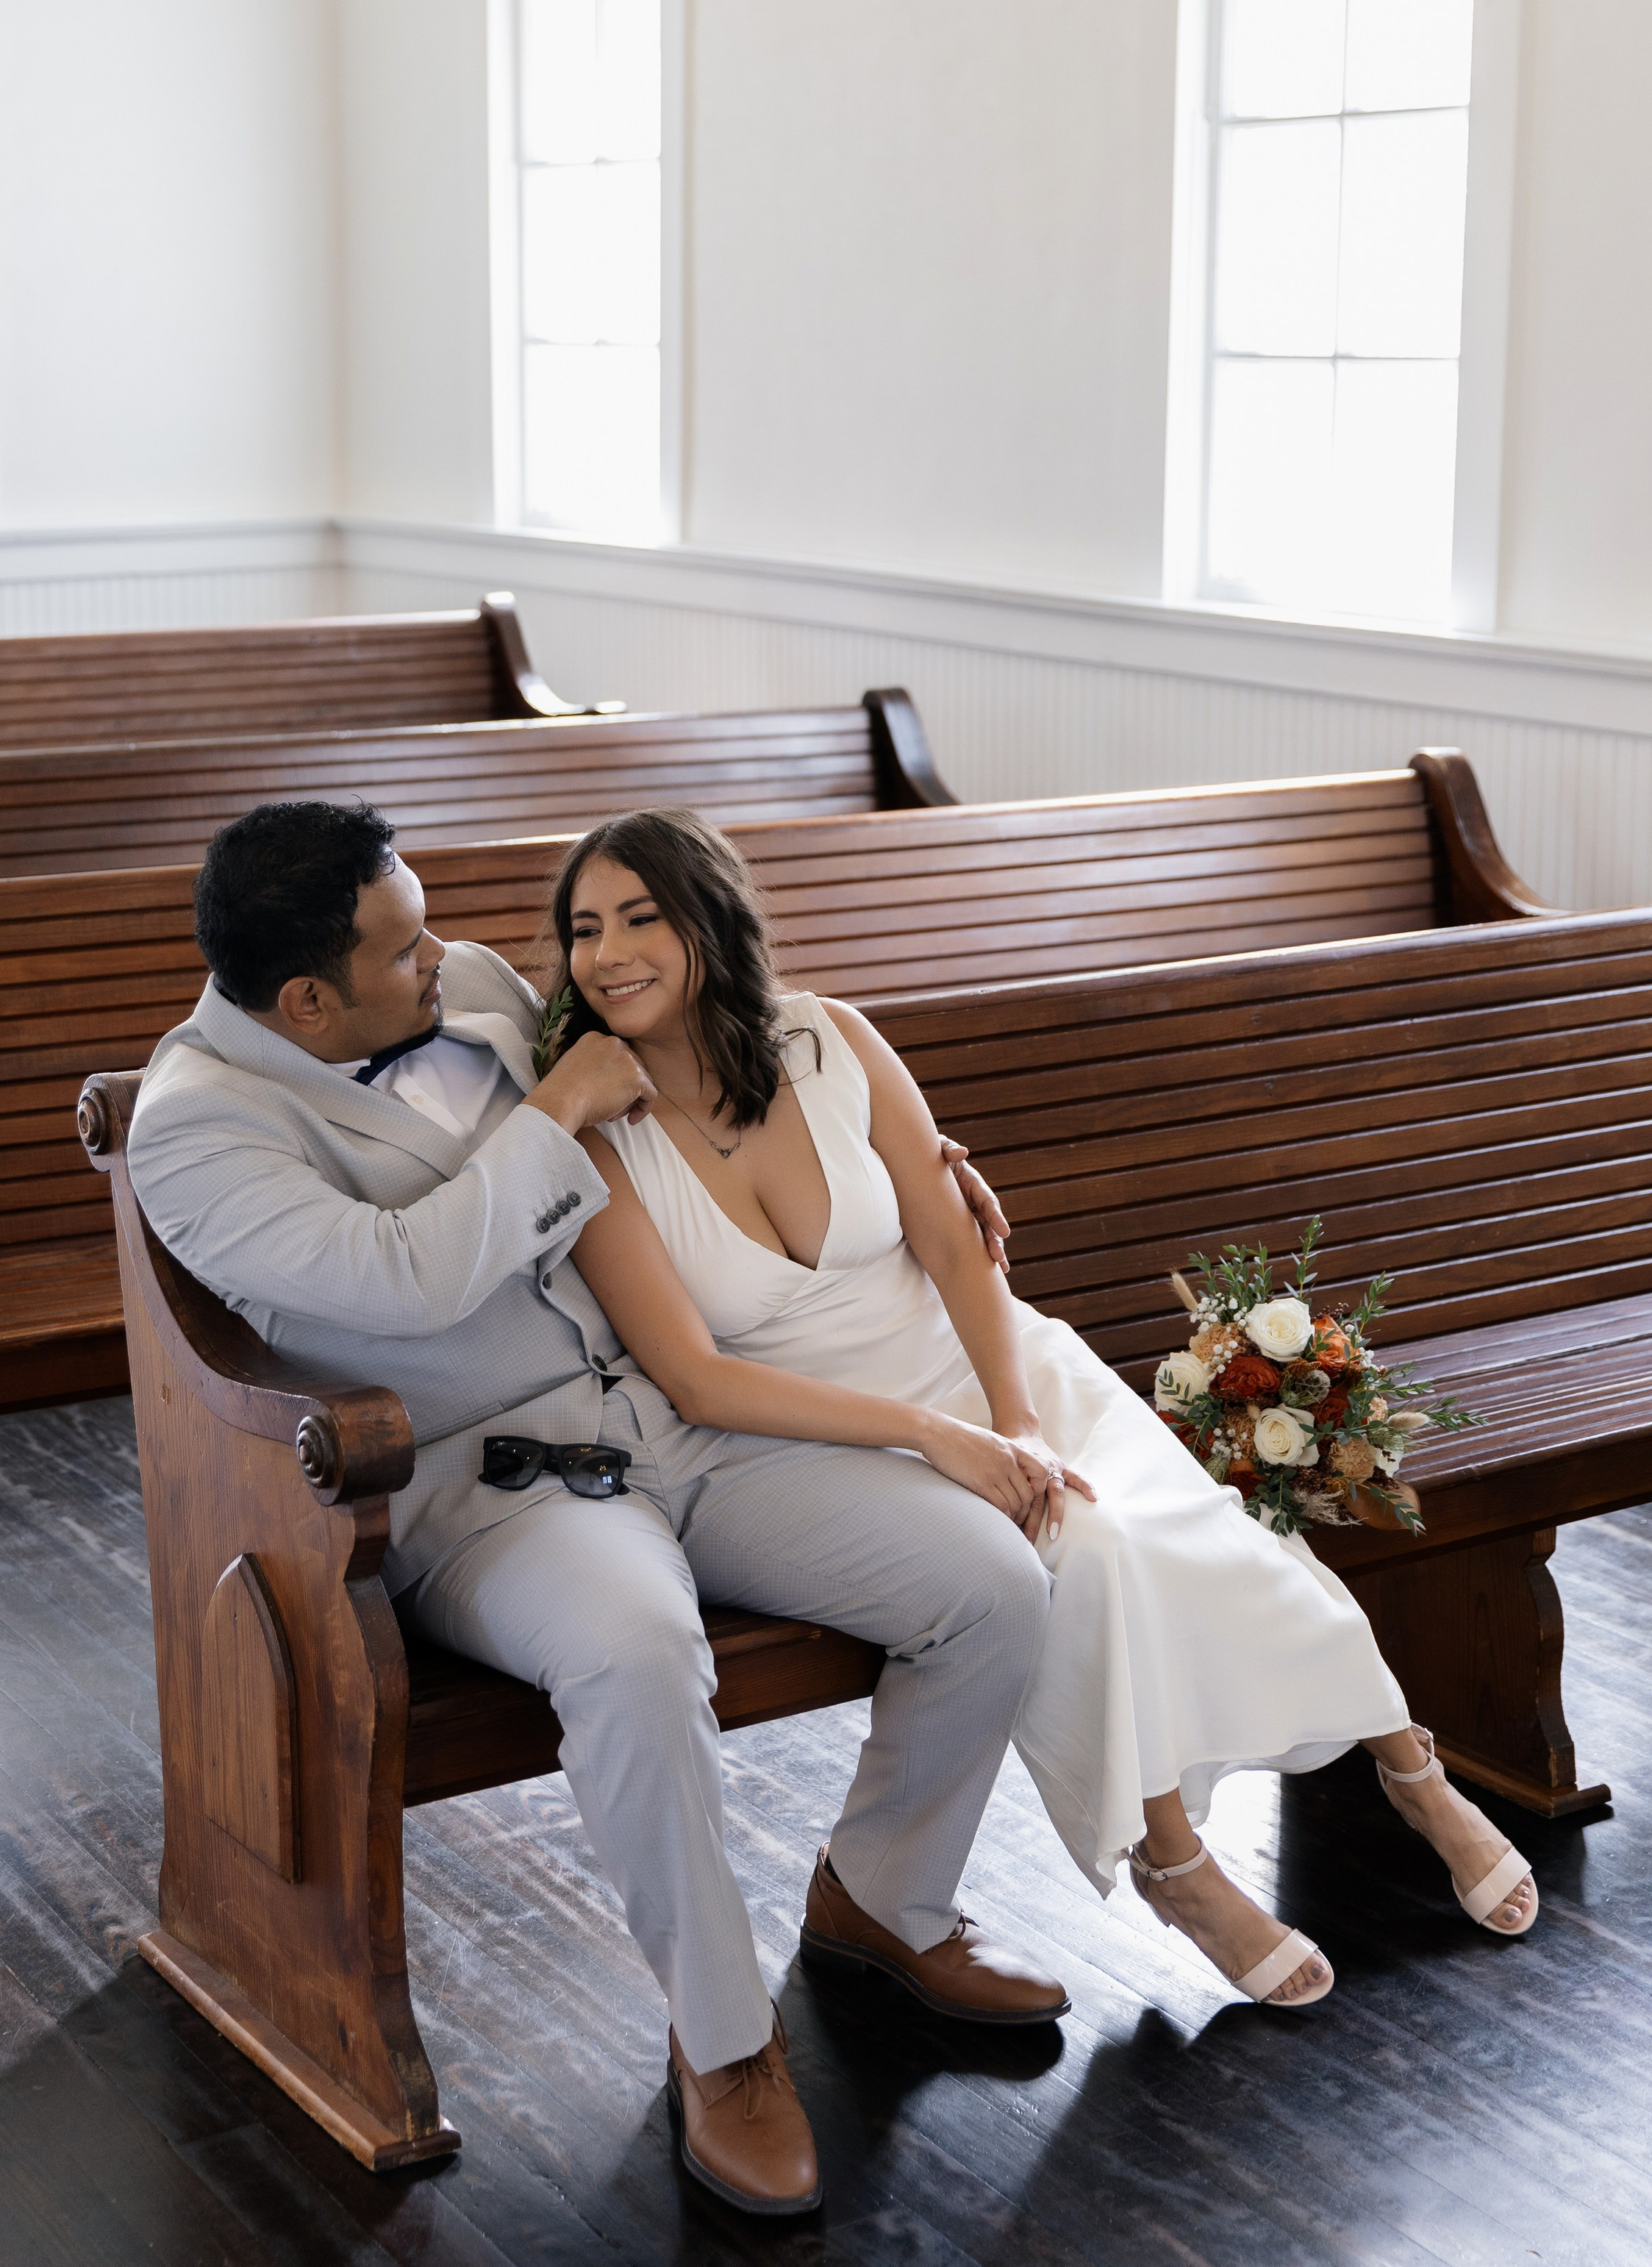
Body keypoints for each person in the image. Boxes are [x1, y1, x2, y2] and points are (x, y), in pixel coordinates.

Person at [126, 798, 1070, 2222]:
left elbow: (683, 1034)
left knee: (991, 1580)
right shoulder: (196, 1129)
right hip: (486, 1485)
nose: (446, 955)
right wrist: (555, 1109)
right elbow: (406, 1275)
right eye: (402, 947)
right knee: (635, 1650)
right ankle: (726, 2045)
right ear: (308, 1000)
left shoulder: (467, 984)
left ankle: (886, 1897)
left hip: (676, 1403)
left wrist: (907, 1161)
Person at [548, 806, 1542, 2016]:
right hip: (843, 1433)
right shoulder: (597, 1141)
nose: (608, 953)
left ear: (709, 919)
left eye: (640, 918)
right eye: (585, 929)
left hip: (996, 1364)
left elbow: (956, 1247)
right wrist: (945, 1438)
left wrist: (1014, 1416)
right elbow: (697, 1378)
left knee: (1212, 1531)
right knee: (1091, 1545)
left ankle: (1408, 1763)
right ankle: (1176, 1862)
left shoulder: (830, 1039)